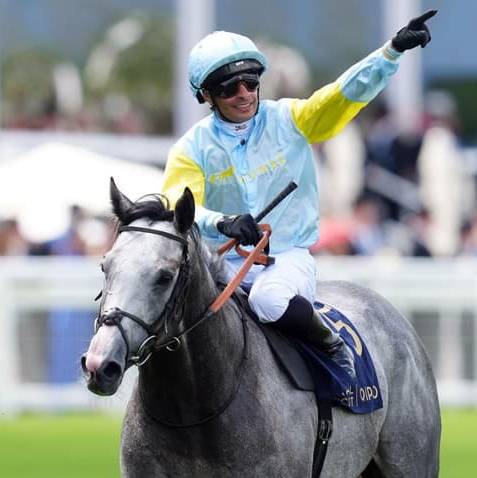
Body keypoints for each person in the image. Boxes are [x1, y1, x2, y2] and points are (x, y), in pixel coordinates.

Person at [161, 11, 437, 380]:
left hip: (285, 260)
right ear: (206, 95)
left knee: (268, 300)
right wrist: (221, 222)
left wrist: (390, 52)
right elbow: (176, 208)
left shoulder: (290, 119)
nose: (243, 94)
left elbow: (342, 94)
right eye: (228, 88)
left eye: (250, 82)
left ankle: (333, 348)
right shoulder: (190, 148)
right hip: (221, 265)